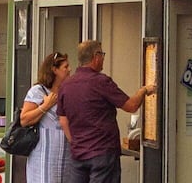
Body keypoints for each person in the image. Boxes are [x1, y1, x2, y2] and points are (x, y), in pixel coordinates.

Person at [58, 40, 155, 183]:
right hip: (102, 153)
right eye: (102, 54)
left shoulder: (66, 85)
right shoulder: (100, 82)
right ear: (96, 56)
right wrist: (144, 90)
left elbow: (63, 119)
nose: (103, 58)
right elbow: (131, 106)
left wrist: (76, 142)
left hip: (78, 154)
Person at [21, 52, 72, 183]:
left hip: (67, 155)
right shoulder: (38, 91)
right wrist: (46, 105)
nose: (69, 70)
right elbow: (24, 119)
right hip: (44, 156)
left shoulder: (68, 91)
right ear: (54, 70)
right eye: (65, 67)